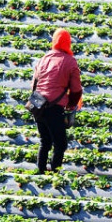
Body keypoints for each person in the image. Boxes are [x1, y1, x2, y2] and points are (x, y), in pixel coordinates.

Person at [32, 28, 82, 174]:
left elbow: (34, 83)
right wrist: (71, 105)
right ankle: (55, 172)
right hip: (53, 107)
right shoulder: (70, 61)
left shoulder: (44, 58)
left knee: (45, 140)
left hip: (37, 104)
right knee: (60, 143)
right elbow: (76, 89)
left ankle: (40, 171)